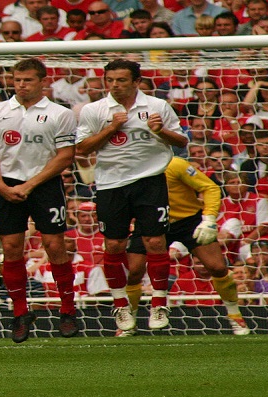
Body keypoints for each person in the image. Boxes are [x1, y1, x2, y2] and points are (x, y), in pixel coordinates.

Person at [75, 59, 188, 332]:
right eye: (110, 80)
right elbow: (82, 148)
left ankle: (159, 303)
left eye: (122, 80)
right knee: (114, 245)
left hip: (150, 181)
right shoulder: (94, 110)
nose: (115, 85)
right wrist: (111, 128)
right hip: (110, 184)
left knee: (155, 242)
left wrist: (161, 131)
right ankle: (121, 304)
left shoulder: (157, 106)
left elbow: (182, 141)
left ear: (137, 82)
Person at [0, 58, 79, 341]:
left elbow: (66, 156)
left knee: (55, 245)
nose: (21, 85)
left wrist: (31, 184)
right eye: (17, 80)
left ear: (43, 81)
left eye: (28, 80)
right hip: (6, 185)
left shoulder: (60, 114)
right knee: (10, 248)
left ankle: (68, 310)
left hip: (44, 185)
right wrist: (0, 185)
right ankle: (20, 312)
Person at [122, 157, 250, 336]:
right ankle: (128, 324)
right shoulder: (129, 166)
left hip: (188, 221)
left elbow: (210, 187)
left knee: (218, 267)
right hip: (150, 222)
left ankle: (235, 316)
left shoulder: (175, 164)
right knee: (133, 271)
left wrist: (209, 218)